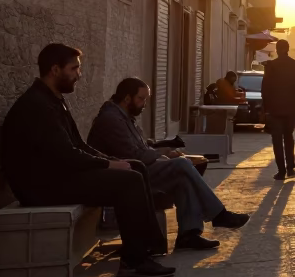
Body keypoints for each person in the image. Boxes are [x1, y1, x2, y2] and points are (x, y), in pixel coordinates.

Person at [1, 44, 173, 277]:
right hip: (41, 187)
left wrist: (112, 159)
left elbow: (78, 145)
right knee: (128, 181)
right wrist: (108, 165)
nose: (78, 75)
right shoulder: (38, 106)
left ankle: (148, 246)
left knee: (136, 166)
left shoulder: (53, 100)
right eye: (74, 69)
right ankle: (135, 260)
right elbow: (66, 154)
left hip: (59, 176)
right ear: (55, 69)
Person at [88, 78, 251, 250]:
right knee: (182, 165)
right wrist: (161, 154)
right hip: (124, 177)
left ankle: (189, 235)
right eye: (141, 99)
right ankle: (219, 215)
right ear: (127, 98)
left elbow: (141, 145)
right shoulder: (111, 119)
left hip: (137, 171)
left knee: (184, 176)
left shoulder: (125, 117)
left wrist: (163, 148)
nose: (144, 104)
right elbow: (133, 155)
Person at [262, 40, 295, 180]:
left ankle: (281, 170)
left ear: (277, 49)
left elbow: (265, 89)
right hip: (291, 109)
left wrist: (266, 108)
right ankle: (291, 168)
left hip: (275, 110)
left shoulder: (271, 66)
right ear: (288, 49)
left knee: (277, 140)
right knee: (289, 137)